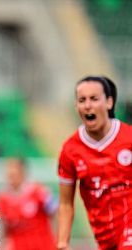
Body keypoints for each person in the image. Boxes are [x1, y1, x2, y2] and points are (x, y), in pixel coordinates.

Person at [57, 76, 132, 250]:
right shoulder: (70, 150)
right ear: (76, 106)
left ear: (109, 102)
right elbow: (66, 203)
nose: (88, 105)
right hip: (104, 236)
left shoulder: (128, 138)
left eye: (94, 99)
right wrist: (62, 242)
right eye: (82, 100)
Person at [0, 158, 57, 250]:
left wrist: (59, 239)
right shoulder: (2, 199)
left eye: (14, 175)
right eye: (10, 175)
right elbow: (4, 228)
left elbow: (56, 213)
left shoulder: (39, 191)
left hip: (43, 245)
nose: (12, 178)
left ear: (23, 173)